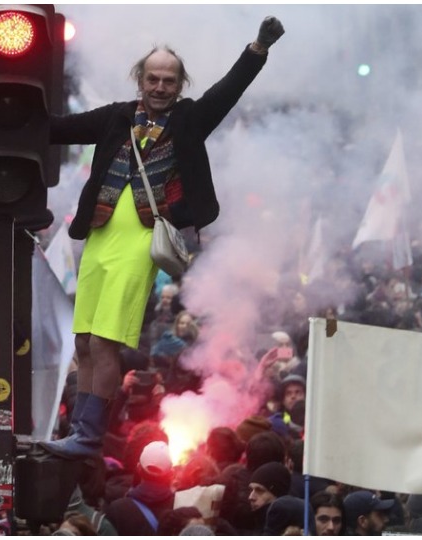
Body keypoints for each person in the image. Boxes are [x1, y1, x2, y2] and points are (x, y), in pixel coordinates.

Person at [41, 15, 286, 460]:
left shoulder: (190, 119)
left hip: (142, 238)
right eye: (152, 79)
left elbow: (227, 91)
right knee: (83, 342)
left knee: (104, 342)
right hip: (97, 235)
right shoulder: (117, 116)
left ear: (179, 83)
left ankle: (90, 435)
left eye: (168, 80)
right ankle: (78, 428)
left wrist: (258, 49)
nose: (159, 87)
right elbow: (58, 127)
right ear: (140, 80)